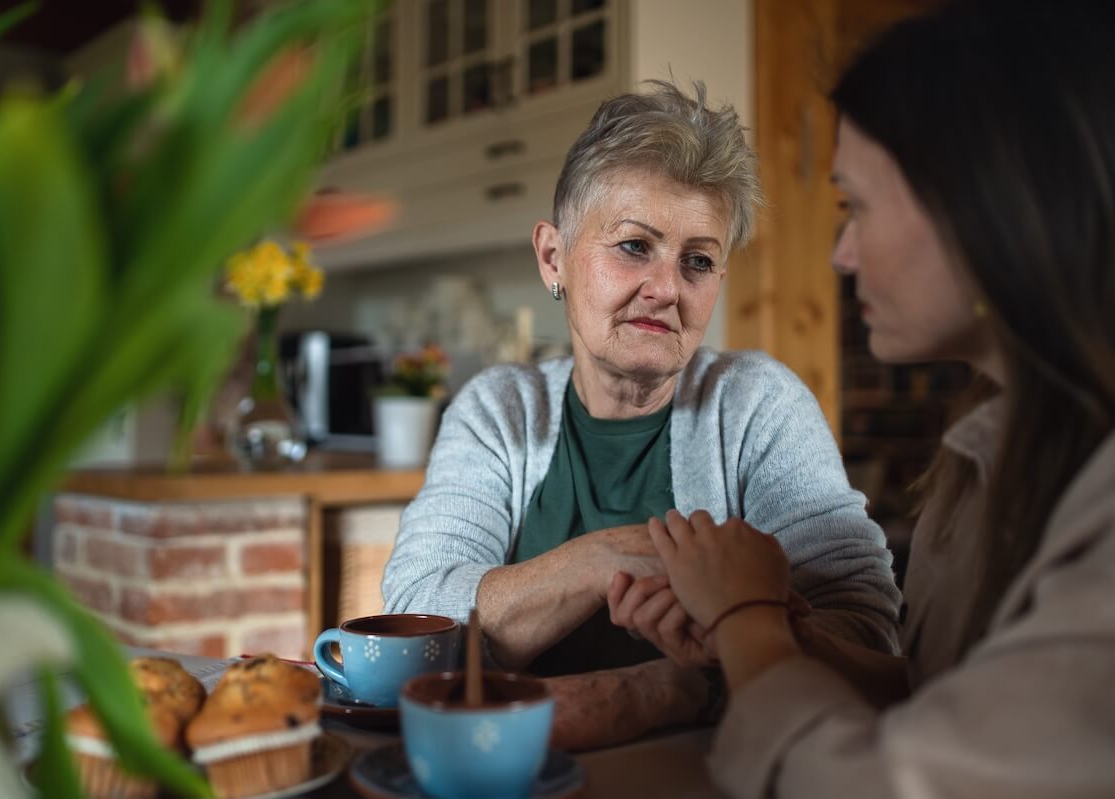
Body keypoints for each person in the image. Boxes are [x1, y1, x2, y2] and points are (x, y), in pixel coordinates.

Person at [611, 1, 1115, 794]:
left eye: (858, 206)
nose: (842, 254)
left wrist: (746, 621)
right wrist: (771, 632)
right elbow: (946, 702)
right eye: (632, 248)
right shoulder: (992, 450)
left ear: (988, 206)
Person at [382, 80, 902, 750]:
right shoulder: (497, 409)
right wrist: (607, 559)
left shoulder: (759, 405)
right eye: (634, 246)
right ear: (553, 257)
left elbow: (867, 630)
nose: (666, 290)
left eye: (698, 261)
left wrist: (673, 680)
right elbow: (413, 624)